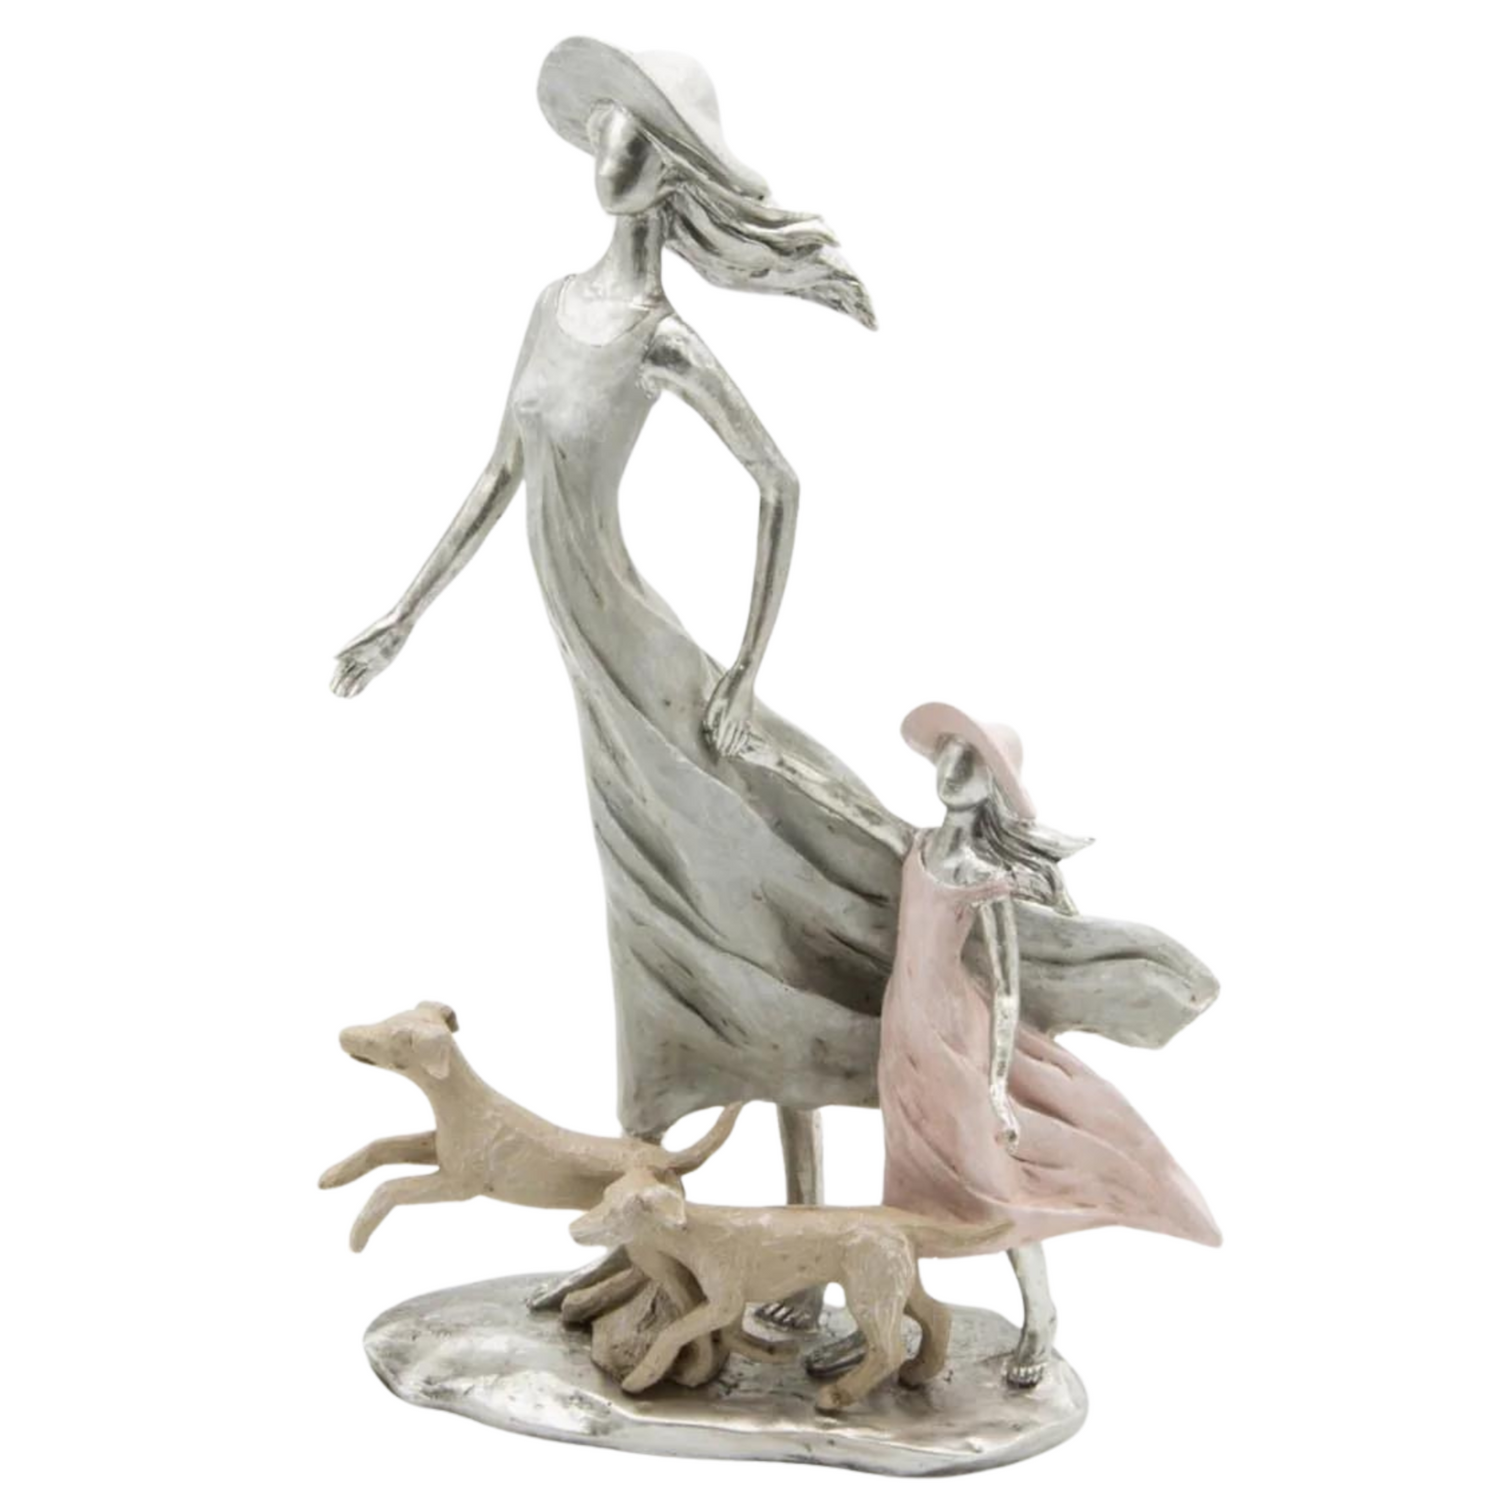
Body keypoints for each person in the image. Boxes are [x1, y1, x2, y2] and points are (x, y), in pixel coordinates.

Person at [869, 703, 1220, 1385]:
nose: (952, 767)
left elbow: (1006, 989)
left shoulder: (983, 873)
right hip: (902, 1027)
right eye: (948, 752)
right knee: (906, 1180)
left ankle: (1040, 1315)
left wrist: (998, 1084)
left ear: (994, 788)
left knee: (994, 1181)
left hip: (954, 1035)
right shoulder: (918, 846)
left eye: (972, 760)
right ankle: (895, 1318)